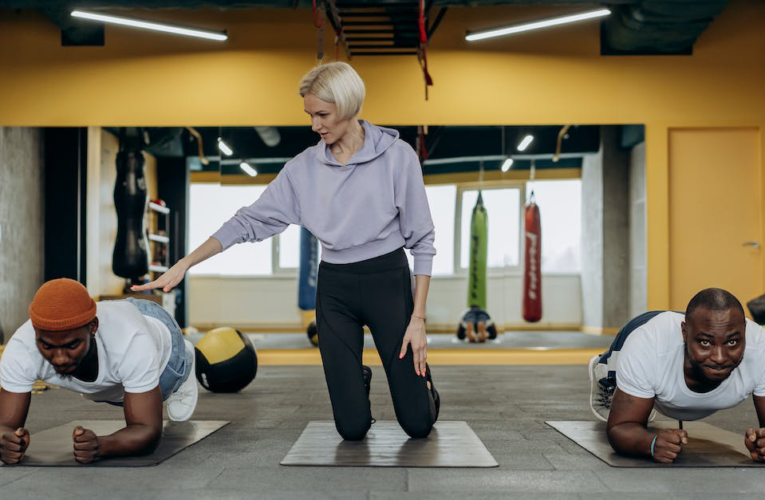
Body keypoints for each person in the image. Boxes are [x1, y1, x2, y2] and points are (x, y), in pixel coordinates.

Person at [133, 61, 440, 441]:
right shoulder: (302, 170)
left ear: (347, 106)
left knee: (418, 424)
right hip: (336, 287)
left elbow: (422, 241)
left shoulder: (398, 157)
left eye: (322, 114)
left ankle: (422, 391)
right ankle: (355, 382)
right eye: (310, 115)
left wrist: (418, 319)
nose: (315, 125)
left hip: (388, 282)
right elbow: (247, 221)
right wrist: (185, 262)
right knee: (352, 429)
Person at [0, 279, 197, 465]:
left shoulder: (132, 341)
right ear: (35, 333)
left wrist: (103, 445)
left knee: (160, 389)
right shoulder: (21, 348)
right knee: (110, 391)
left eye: (72, 345)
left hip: (160, 336)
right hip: (111, 332)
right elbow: (4, 426)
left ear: (93, 327)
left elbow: (148, 431)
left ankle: (186, 362)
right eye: (47, 346)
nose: (60, 358)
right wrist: (6, 442)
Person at [588, 287, 765, 463]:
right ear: (684, 333)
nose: (719, 357)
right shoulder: (647, 344)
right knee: (616, 368)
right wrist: (649, 443)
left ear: (745, 333)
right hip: (645, 328)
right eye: (705, 343)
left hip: (690, 329)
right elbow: (619, 428)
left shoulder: (760, 349)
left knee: (710, 328)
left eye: (732, 342)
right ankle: (603, 369)